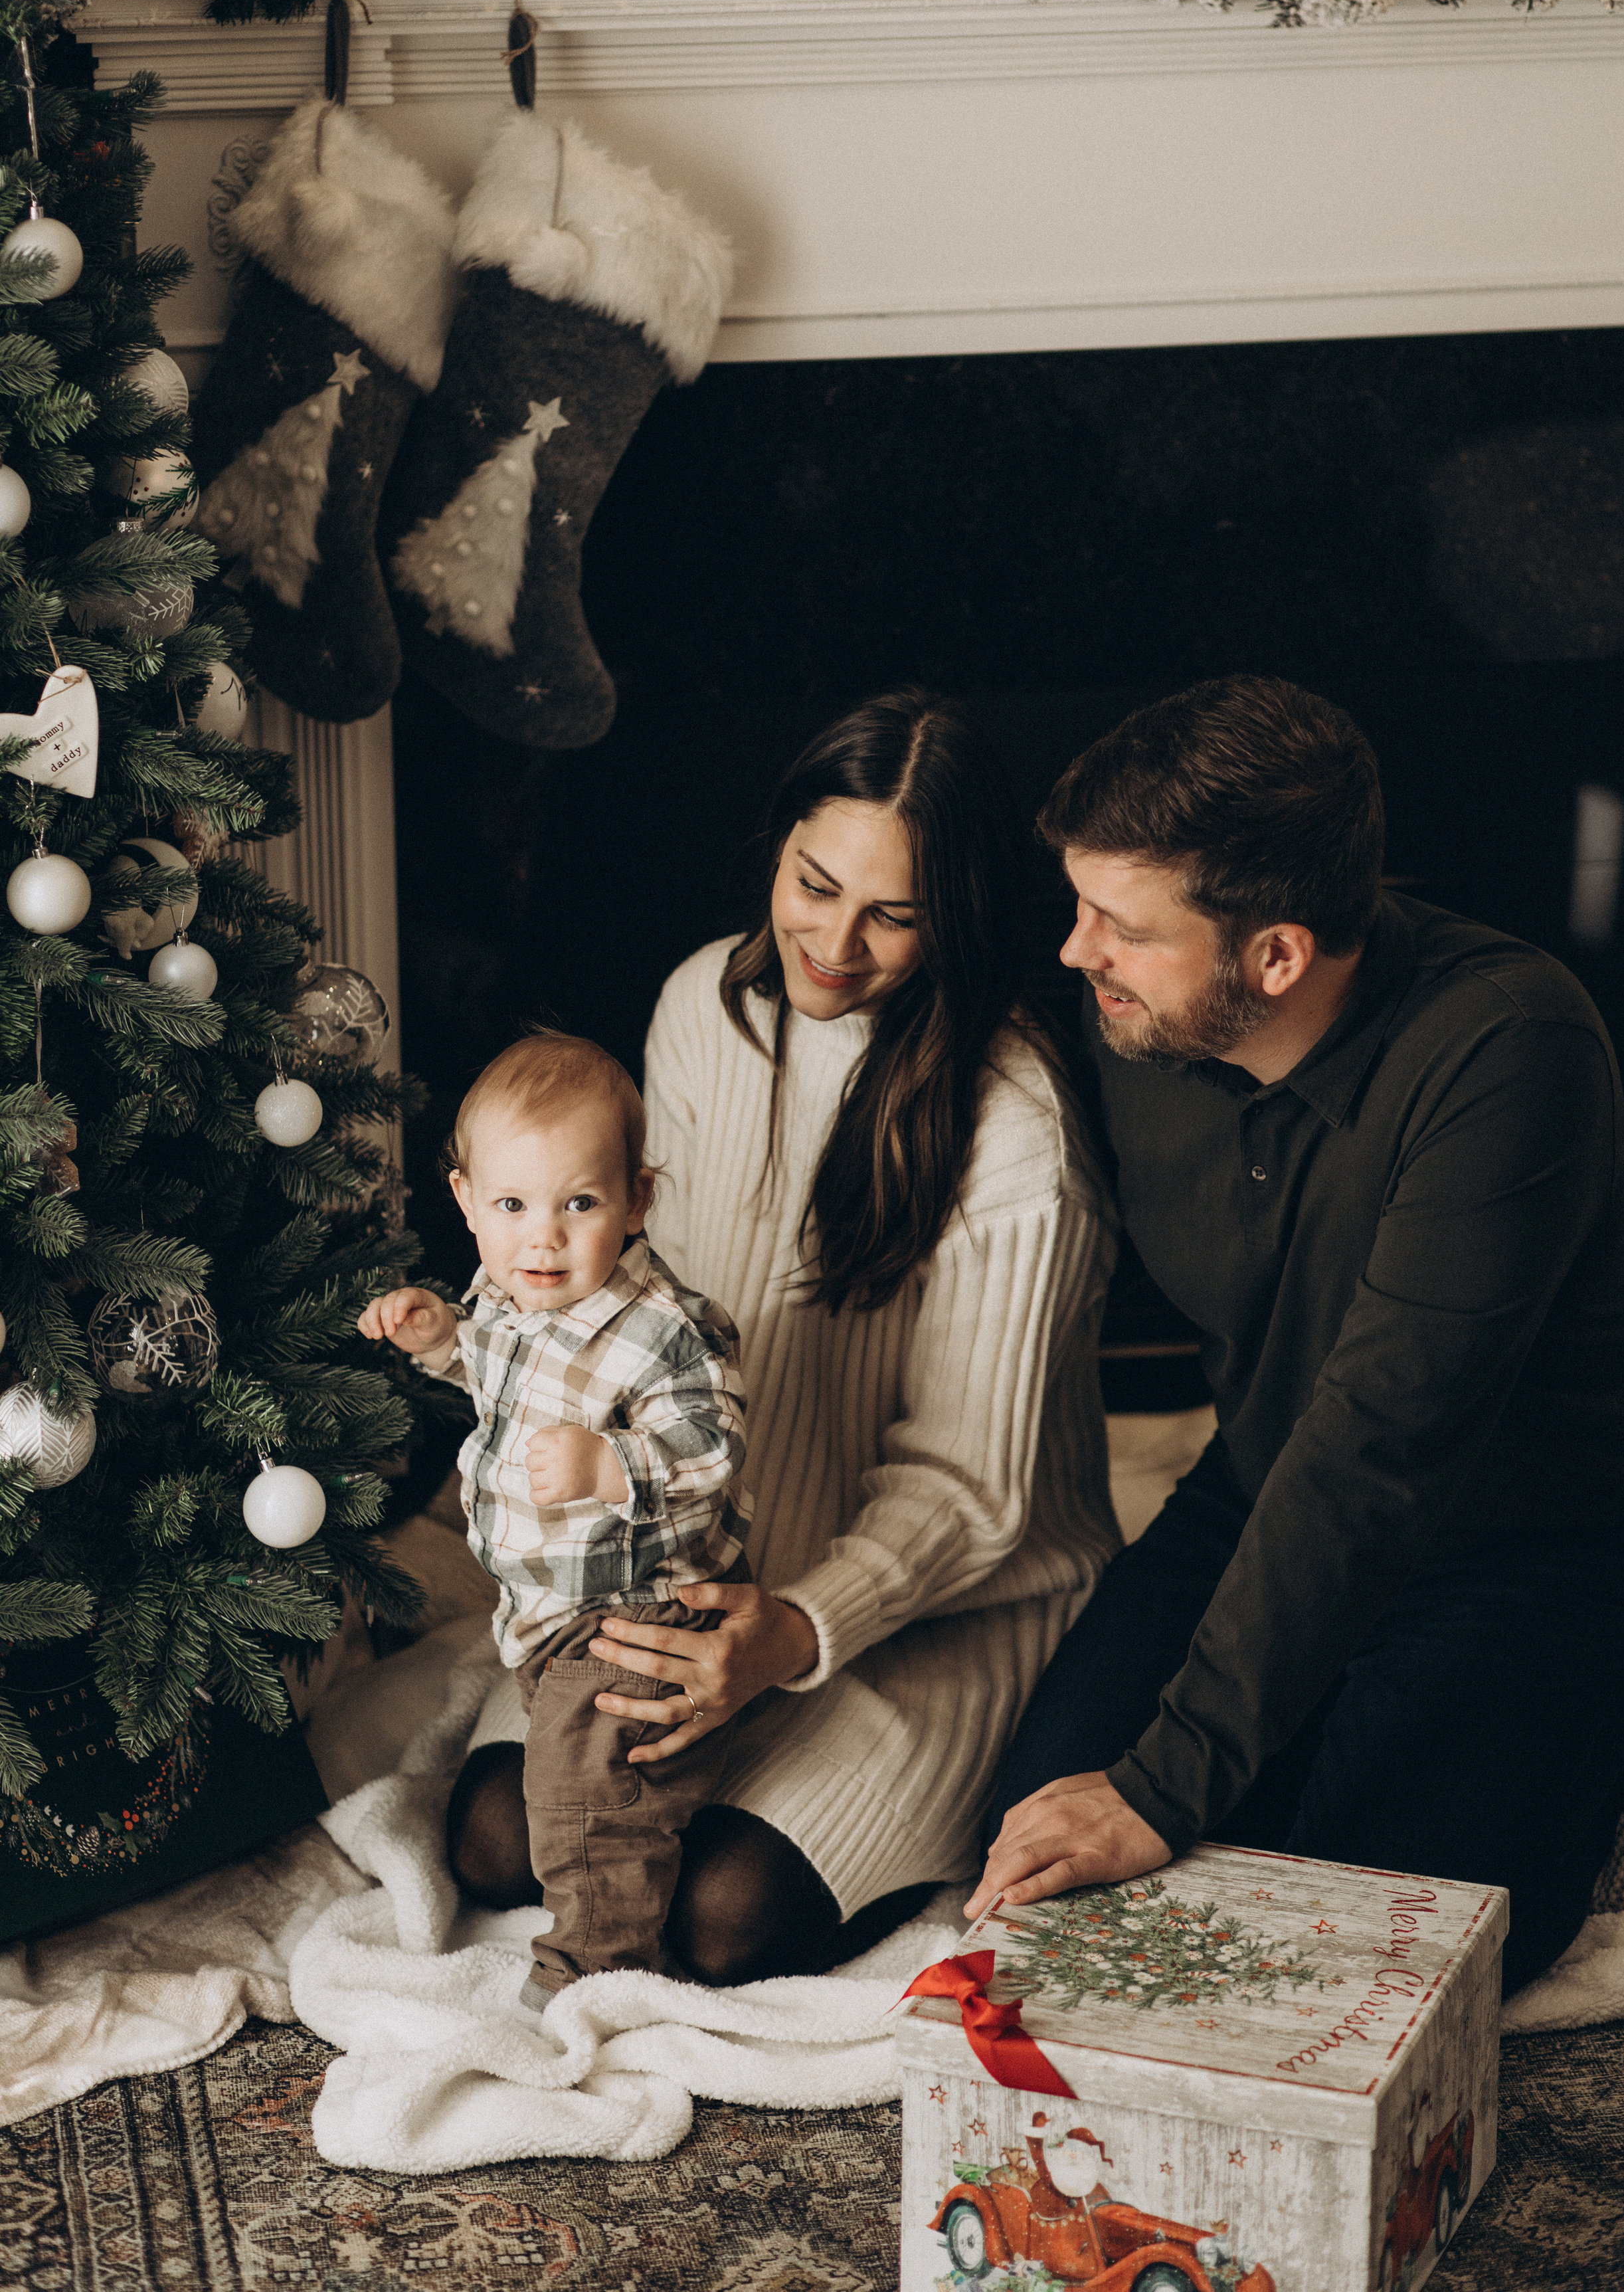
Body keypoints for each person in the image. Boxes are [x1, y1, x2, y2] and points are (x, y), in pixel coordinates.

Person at [975, 675, 1624, 1994]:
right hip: (1258, 1482)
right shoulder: (1134, 1019)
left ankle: (1622, 1695)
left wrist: (1171, 1780)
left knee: (1377, 1939)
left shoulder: (1507, 1047)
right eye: (1078, 906)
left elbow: (1380, 1443)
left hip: (1542, 1532)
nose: (1077, 952)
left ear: (1275, 956)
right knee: (1039, 1844)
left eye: (1119, 926)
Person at [446, 688, 1121, 1981]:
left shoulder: (1016, 1127)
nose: (834, 944)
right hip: (692, 1546)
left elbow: (971, 1491)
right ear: (775, 850)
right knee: (491, 1841)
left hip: (926, 1602)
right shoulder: (704, 1003)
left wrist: (790, 1631)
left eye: (892, 915)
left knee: (721, 1918)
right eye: (813, 885)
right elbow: (627, 1309)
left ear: (957, 915)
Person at [359, 1032, 749, 2006]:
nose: (545, 1236)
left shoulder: (664, 1329)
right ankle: (653, 1835)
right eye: (513, 1206)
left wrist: (612, 1464)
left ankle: (599, 1974)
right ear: (465, 1202)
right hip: (543, 1607)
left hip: (636, 1609)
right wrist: (443, 1341)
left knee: (585, 1802)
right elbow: (496, 1371)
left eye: (580, 1204)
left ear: (638, 1200)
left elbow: (715, 1448)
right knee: (580, 1781)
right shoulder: (510, 1291)